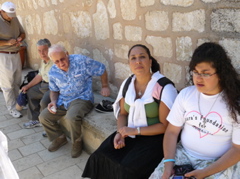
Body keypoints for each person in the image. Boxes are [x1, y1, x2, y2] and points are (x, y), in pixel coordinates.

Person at [82, 44, 178, 179]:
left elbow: (165, 126)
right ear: (129, 63)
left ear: (150, 61)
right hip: (130, 132)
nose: (138, 61)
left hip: (155, 137)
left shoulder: (163, 87)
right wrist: (120, 133)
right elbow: (122, 114)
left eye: (142, 57)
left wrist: (135, 131)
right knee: (100, 156)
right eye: (133, 58)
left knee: (127, 168)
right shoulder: (128, 83)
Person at [149, 42, 240, 179]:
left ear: (220, 74)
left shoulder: (235, 104)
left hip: (218, 162)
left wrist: (205, 172)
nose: (198, 78)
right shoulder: (186, 95)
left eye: (205, 73)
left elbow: (237, 149)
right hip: (182, 155)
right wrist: (168, 166)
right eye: (195, 72)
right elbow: (172, 132)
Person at [39, 44, 111, 158]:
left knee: (71, 117)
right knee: (44, 116)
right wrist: (53, 101)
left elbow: (101, 69)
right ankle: (59, 138)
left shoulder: (81, 61)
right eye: (56, 61)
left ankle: (77, 141)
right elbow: (54, 90)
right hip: (64, 99)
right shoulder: (53, 71)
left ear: (67, 54)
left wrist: (105, 86)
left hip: (82, 98)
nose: (61, 63)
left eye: (62, 59)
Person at [0, 1, 25, 118]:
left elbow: (23, 33)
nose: (11, 17)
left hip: (16, 53)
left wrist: (20, 38)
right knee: (7, 84)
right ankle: (11, 108)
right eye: (8, 15)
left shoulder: (14, 19)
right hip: (3, 55)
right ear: (2, 12)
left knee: (16, 81)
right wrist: (7, 42)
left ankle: (17, 104)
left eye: (12, 15)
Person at [21, 39, 53, 128]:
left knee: (44, 102)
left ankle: (48, 126)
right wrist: (27, 86)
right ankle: (35, 120)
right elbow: (40, 76)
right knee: (30, 92)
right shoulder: (43, 61)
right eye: (39, 51)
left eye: (44, 50)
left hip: (53, 87)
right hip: (44, 85)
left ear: (49, 49)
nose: (42, 53)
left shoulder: (55, 60)